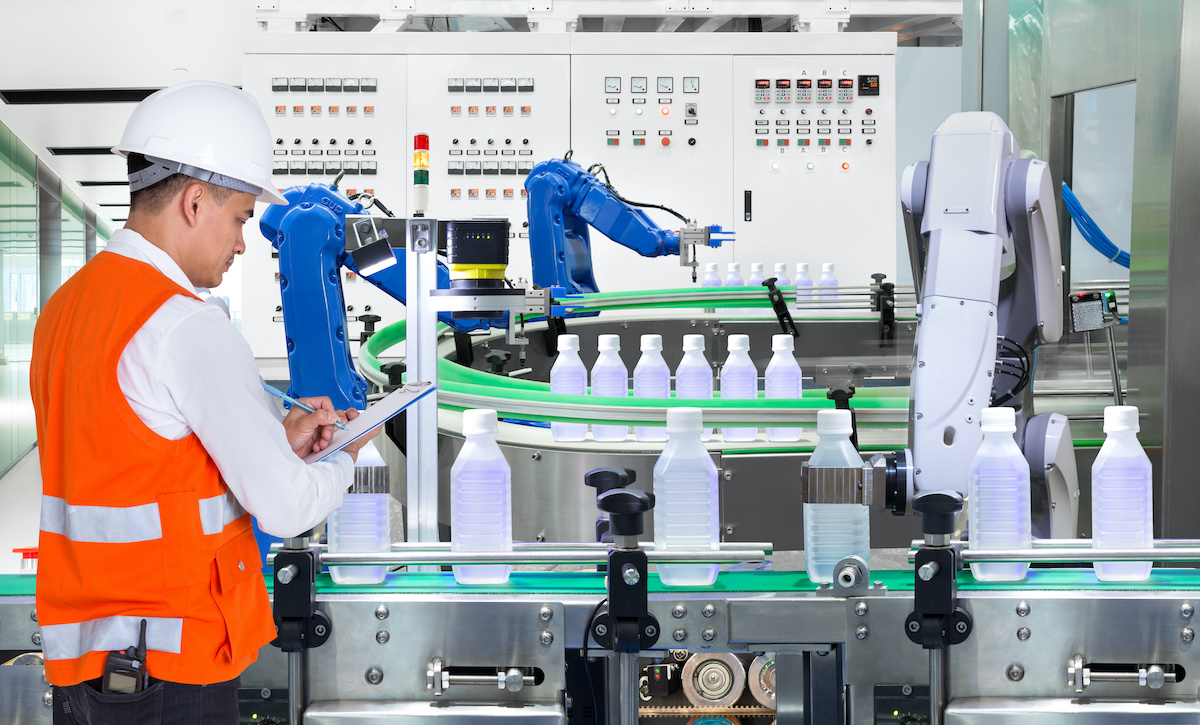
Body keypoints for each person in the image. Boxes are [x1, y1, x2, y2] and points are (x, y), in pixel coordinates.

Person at [30, 80, 380, 724]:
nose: (243, 242)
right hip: (169, 668)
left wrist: (276, 442)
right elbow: (285, 503)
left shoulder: (66, 308)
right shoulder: (182, 323)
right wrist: (346, 455)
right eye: (242, 217)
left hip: (90, 669)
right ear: (195, 201)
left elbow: (134, 458)